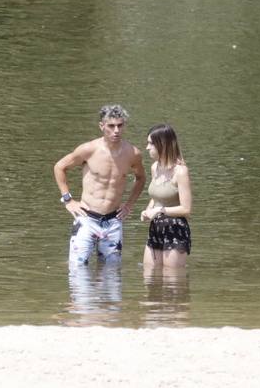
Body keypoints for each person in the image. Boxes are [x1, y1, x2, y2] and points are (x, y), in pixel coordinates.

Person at [53, 104, 146, 269]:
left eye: (120, 125)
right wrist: (68, 200)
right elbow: (59, 167)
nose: (116, 130)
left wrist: (129, 205)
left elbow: (140, 178)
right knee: (77, 269)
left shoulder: (133, 153)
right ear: (102, 126)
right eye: (111, 126)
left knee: (111, 275)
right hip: (86, 218)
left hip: (113, 220)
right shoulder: (88, 149)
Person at [139, 123, 193, 272]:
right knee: (149, 275)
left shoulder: (180, 172)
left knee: (172, 282)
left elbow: (186, 209)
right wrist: (148, 210)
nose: (147, 147)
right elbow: (156, 195)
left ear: (162, 144)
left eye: (151, 143)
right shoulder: (154, 167)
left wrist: (159, 211)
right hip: (156, 228)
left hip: (175, 230)